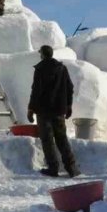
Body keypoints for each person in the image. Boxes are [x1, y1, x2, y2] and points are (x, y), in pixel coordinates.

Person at [27, 45, 79, 177]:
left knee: (47, 140)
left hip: (44, 111)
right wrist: (68, 105)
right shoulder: (62, 68)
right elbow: (70, 88)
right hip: (59, 111)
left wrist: (31, 109)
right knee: (62, 138)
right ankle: (71, 168)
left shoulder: (40, 69)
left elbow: (36, 91)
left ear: (43, 54)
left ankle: (53, 168)